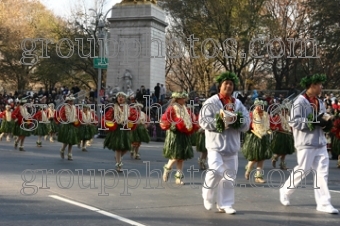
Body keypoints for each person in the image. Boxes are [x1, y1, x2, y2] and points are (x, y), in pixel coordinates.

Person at [279, 74, 338, 214]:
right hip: (306, 143)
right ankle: (285, 190)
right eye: (319, 84)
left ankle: (324, 202)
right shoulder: (299, 102)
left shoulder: (320, 101)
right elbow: (294, 121)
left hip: (320, 143)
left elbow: (322, 118)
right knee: (302, 170)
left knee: (322, 173)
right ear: (312, 85)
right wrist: (313, 121)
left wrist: (327, 122)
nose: (322, 87)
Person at [199, 71, 250, 214]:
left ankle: (225, 204)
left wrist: (237, 122)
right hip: (215, 146)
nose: (228, 86)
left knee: (229, 177)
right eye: (226, 83)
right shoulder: (211, 102)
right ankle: (207, 193)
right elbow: (203, 121)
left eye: (231, 84)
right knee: (216, 171)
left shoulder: (238, 103)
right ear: (220, 86)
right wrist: (221, 123)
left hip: (232, 147)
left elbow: (246, 123)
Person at [160, 92, 199, 185]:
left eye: (184, 98)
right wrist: (173, 125)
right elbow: (165, 120)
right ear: (177, 99)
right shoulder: (171, 108)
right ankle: (167, 168)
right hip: (175, 135)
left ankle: (178, 177)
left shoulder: (186, 109)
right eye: (182, 98)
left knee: (181, 158)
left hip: (183, 135)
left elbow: (190, 119)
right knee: (175, 156)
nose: (184, 100)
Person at [103, 92, 137, 172]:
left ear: (125, 99)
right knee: (118, 148)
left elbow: (134, 116)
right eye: (119, 97)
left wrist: (131, 121)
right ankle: (119, 164)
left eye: (122, 97)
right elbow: (107, 117)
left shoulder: (129, 108)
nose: (120, 98)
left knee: (126, 147)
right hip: (116, 129)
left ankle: (118, 157)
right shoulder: (113, 108)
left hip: (125, 129)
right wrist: (108, 124)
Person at [242, 98, 272, 183]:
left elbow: (268, 125)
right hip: (254, 138)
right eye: (258, 106)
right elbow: (247, 125)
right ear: (255, 106)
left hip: (263, 138)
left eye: (261, 106)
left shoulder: (266, 115)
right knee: (255, 157)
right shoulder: (251, 115)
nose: (260, 107)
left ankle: (258, 177)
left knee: (261, 158)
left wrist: (269, 130)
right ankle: (248, 170)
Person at [270, 105, 295, 170]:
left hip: (287, 135)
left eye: (286, 111)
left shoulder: (288, 118)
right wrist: (276, 128)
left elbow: (292, 126)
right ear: (281, 111)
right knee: (281, 149)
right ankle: (275, 157)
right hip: (280, 135)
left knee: (285, 151)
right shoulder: (278, 117)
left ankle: (282, 164)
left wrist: (292, 132)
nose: (285, 112)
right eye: (284, 111)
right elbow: (272, 124)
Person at [57, 95, 80, 160]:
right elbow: (61, 116)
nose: (72, 102)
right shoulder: (64, 108)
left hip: (72, 125)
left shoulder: (74, 108)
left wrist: (76, 121)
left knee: (71, 140)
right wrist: (67, 120)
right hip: (66, 125)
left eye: (72, 101)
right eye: (70, 101)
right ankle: (62, 149)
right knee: (67, 140)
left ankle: (70, 154)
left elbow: (77, 116)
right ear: (67, 101)